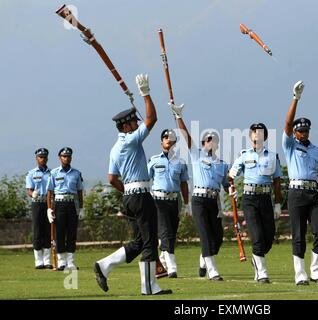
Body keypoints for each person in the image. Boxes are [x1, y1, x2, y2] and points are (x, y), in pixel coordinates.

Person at [93, 74, 172, 295]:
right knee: (148, 241)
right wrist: (146, 94)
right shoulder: (131, 140)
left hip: (129, 195)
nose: (136, 125)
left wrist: (127, 191)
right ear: (126, 125)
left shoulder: (115, 147)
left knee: (139, 241)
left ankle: (104, 265)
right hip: (140, 195)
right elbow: (152, 119)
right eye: (133, 122)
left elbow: (111, 178)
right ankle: (149, 287)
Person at [170, 102, 229, 281]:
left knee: (217, 237)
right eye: (208, 140)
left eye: (214, 141)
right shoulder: (196, 155)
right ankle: (213, 270)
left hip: (214, 201)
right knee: (204, 233)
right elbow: (186, 136)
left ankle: (204, 259)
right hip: (199, 199)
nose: (211, 143)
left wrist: (232, 188)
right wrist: (179, 117)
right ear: (203, 143)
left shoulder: (222, 164)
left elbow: (226, 185)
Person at [282, 80, 318, 285]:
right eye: (300, 131)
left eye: (306, 131)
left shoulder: (316, 150)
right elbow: (286, 123)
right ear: (295, 132)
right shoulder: (290, 146)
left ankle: (316, 271)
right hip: (296, 193)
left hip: (314, 194)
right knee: (298, 235)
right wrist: (296, 99)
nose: (303, 133)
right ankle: (300, 274)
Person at [228, 123, 282, 283]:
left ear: (264, 137)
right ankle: (262, 273)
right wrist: (231, 186)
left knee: (269, 237)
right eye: (254, 132)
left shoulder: (272, 156)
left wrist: (278, 204)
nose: (256, 135)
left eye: (260, 132)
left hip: (266, 198)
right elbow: (231, 176)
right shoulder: (244, 155)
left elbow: (277, 181)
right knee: (257, 236)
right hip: (249, 198)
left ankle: (256, 258)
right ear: (250, 136)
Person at [147, 129, 190, 278]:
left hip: (174, 200)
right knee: (165, 231)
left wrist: (186, 203)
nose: (168, 140)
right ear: (161, 143)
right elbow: (146, 181)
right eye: (165, 137)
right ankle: (172, 267)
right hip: (158, 200)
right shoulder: (153, 160)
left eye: (171, 138)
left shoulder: (181, 162)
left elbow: (184, 184)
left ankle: (164, 256)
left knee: (171, 233)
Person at [46, 147, 84, 271]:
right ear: (59, 158)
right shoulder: (54, 173)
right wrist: (49, 209)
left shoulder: (76, 173)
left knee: (72, 233)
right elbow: (50, 193)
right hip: (59, 204)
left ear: (71, 158)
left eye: (68, 156)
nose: (66, 158)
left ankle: (70, 261)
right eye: (64, 156)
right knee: (60, 233)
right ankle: (62, 262)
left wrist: (81, 208)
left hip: (72, 204)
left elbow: (79, 192)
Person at [26, 148, 52, 269]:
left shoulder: (52, 173)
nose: (43, 159)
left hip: (48, 203)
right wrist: (33, 194)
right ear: (37, 158)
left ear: (47, 158)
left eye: (44, 157)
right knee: (37, 230)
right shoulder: (31, 173)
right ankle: (38, 260)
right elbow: (29, 190)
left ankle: (47, 260)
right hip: (37, 202)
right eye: (40, 157)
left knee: (48, 230)